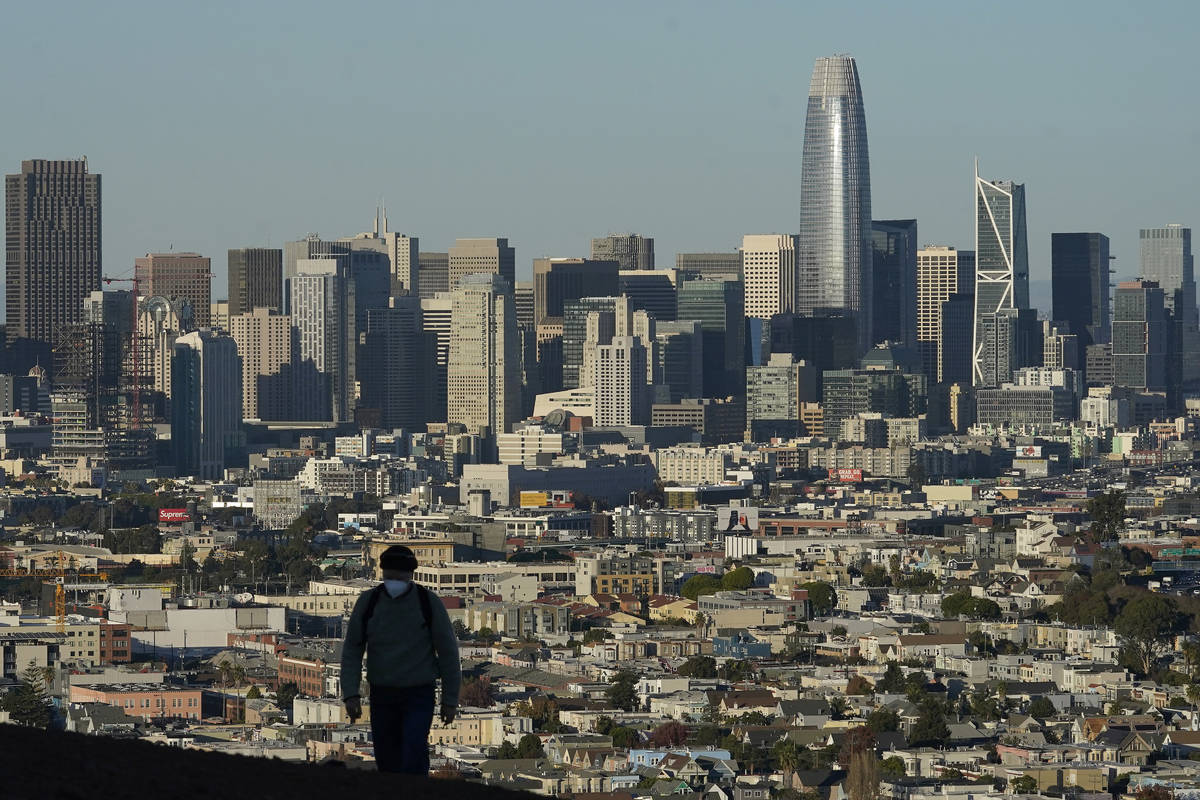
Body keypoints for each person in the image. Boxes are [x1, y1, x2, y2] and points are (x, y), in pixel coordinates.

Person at [341, 545, 461, 775]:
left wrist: (450, 700)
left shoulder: (427, 603)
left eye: (399, 574)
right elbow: (352, 651)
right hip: (382, 693)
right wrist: (350, 694)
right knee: (387, 756)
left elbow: (448, 654)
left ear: (410, 574)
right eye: (391, 574)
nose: (395, 580)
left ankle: (413, 790)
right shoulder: (369, 602)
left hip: (419, 693)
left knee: (413, 752)